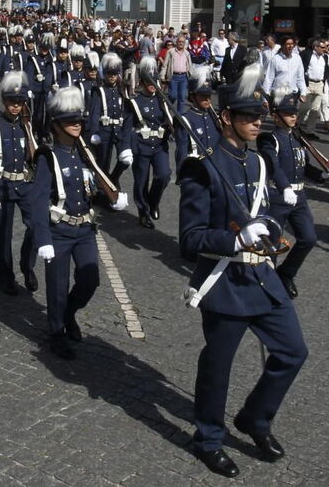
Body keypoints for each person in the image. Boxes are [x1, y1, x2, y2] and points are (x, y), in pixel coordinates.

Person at [178, 67, 307, 479]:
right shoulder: (202, 167)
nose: (256, 123)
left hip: (262, 278)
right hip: (225, 281)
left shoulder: (258, 162)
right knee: (218, 367)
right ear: (226, 117)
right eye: (248, 116)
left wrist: (270, 226)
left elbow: (264, 211)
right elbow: (190, 239)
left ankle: (255, 418)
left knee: (293, 351)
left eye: (259, 117)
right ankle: (208, 439)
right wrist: (234, 240)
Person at [31, 85, 127, 360]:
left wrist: (112, 199)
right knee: (57, 287)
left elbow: (94, 187)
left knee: (89, 280)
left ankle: (69, 312)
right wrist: (43, 239)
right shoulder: (48, 157)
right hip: (59, 231)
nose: (77, 124)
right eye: (70, 121)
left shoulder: (85, 154)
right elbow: (38, 202)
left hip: (84, 229)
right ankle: (56, 332)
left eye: (79, 120)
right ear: (56, 125)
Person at [0, 71, 39, 295]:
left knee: (37, 224)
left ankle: (27, 264)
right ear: (4, 101)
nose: (16, 106)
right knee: (3, 234)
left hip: (24, 185)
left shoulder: (26, 125)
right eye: (12, 102)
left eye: (20, 102)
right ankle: (5, 276)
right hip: (1, 187)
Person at [258, 85, 317, 298]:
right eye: (288, 113)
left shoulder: (296, 138)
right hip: (278, 196)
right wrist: (284, 187)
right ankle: (268, 283)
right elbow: (273, 165)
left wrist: (325, 174)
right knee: (272, 244)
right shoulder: (270, 138)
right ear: (276, 116)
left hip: (299, 197)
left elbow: (304, 166)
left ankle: (286, 273)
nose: (293, 117)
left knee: (308, 238)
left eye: (294, 113)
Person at [126, 56, 174, 229]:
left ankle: (153, 202)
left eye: (154, 81)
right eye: (148, 81)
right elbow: (128, 127)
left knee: (164, 175)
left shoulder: (163, 100)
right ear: (142, 83)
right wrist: (127, 148)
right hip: (141, 145)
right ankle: (143, 213)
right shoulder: (135, 102)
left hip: (159, 145)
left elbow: (170, 120)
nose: (152, 84)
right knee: (141, 182)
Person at [86, 52, 132, 189]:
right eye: (109, 73)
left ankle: (113, 178)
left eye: (114, 73)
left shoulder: (122, 90)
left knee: (126, 160)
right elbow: (94, 113)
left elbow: (127, 113)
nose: (112, 76)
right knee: (103, 163)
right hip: (104, 131)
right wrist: (94, 132)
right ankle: (104, 189)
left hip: (119, 131)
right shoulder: (99, 91)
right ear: (104, 73)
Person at [174, 64, 220, 172]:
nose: (208, 99)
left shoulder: (214, 117)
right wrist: (182, 174)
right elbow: (182, 152)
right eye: (203, 96)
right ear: (192, 96)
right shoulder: (186, 120)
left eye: (209, 95)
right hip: (197, 170)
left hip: (217, 168)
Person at [162, 35, 192, 111]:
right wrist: (162, 75)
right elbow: (165, 64)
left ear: (184, 43)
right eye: (179, 41)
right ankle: (166, 110)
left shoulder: (187, 53)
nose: (181, 43)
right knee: (173, 96)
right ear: (176, 42)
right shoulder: (170, 51)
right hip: (173, 77)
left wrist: (191, 76)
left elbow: (190, 65)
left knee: (182, 97)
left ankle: (179, 115)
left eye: (182, 42)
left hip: (184, 77)